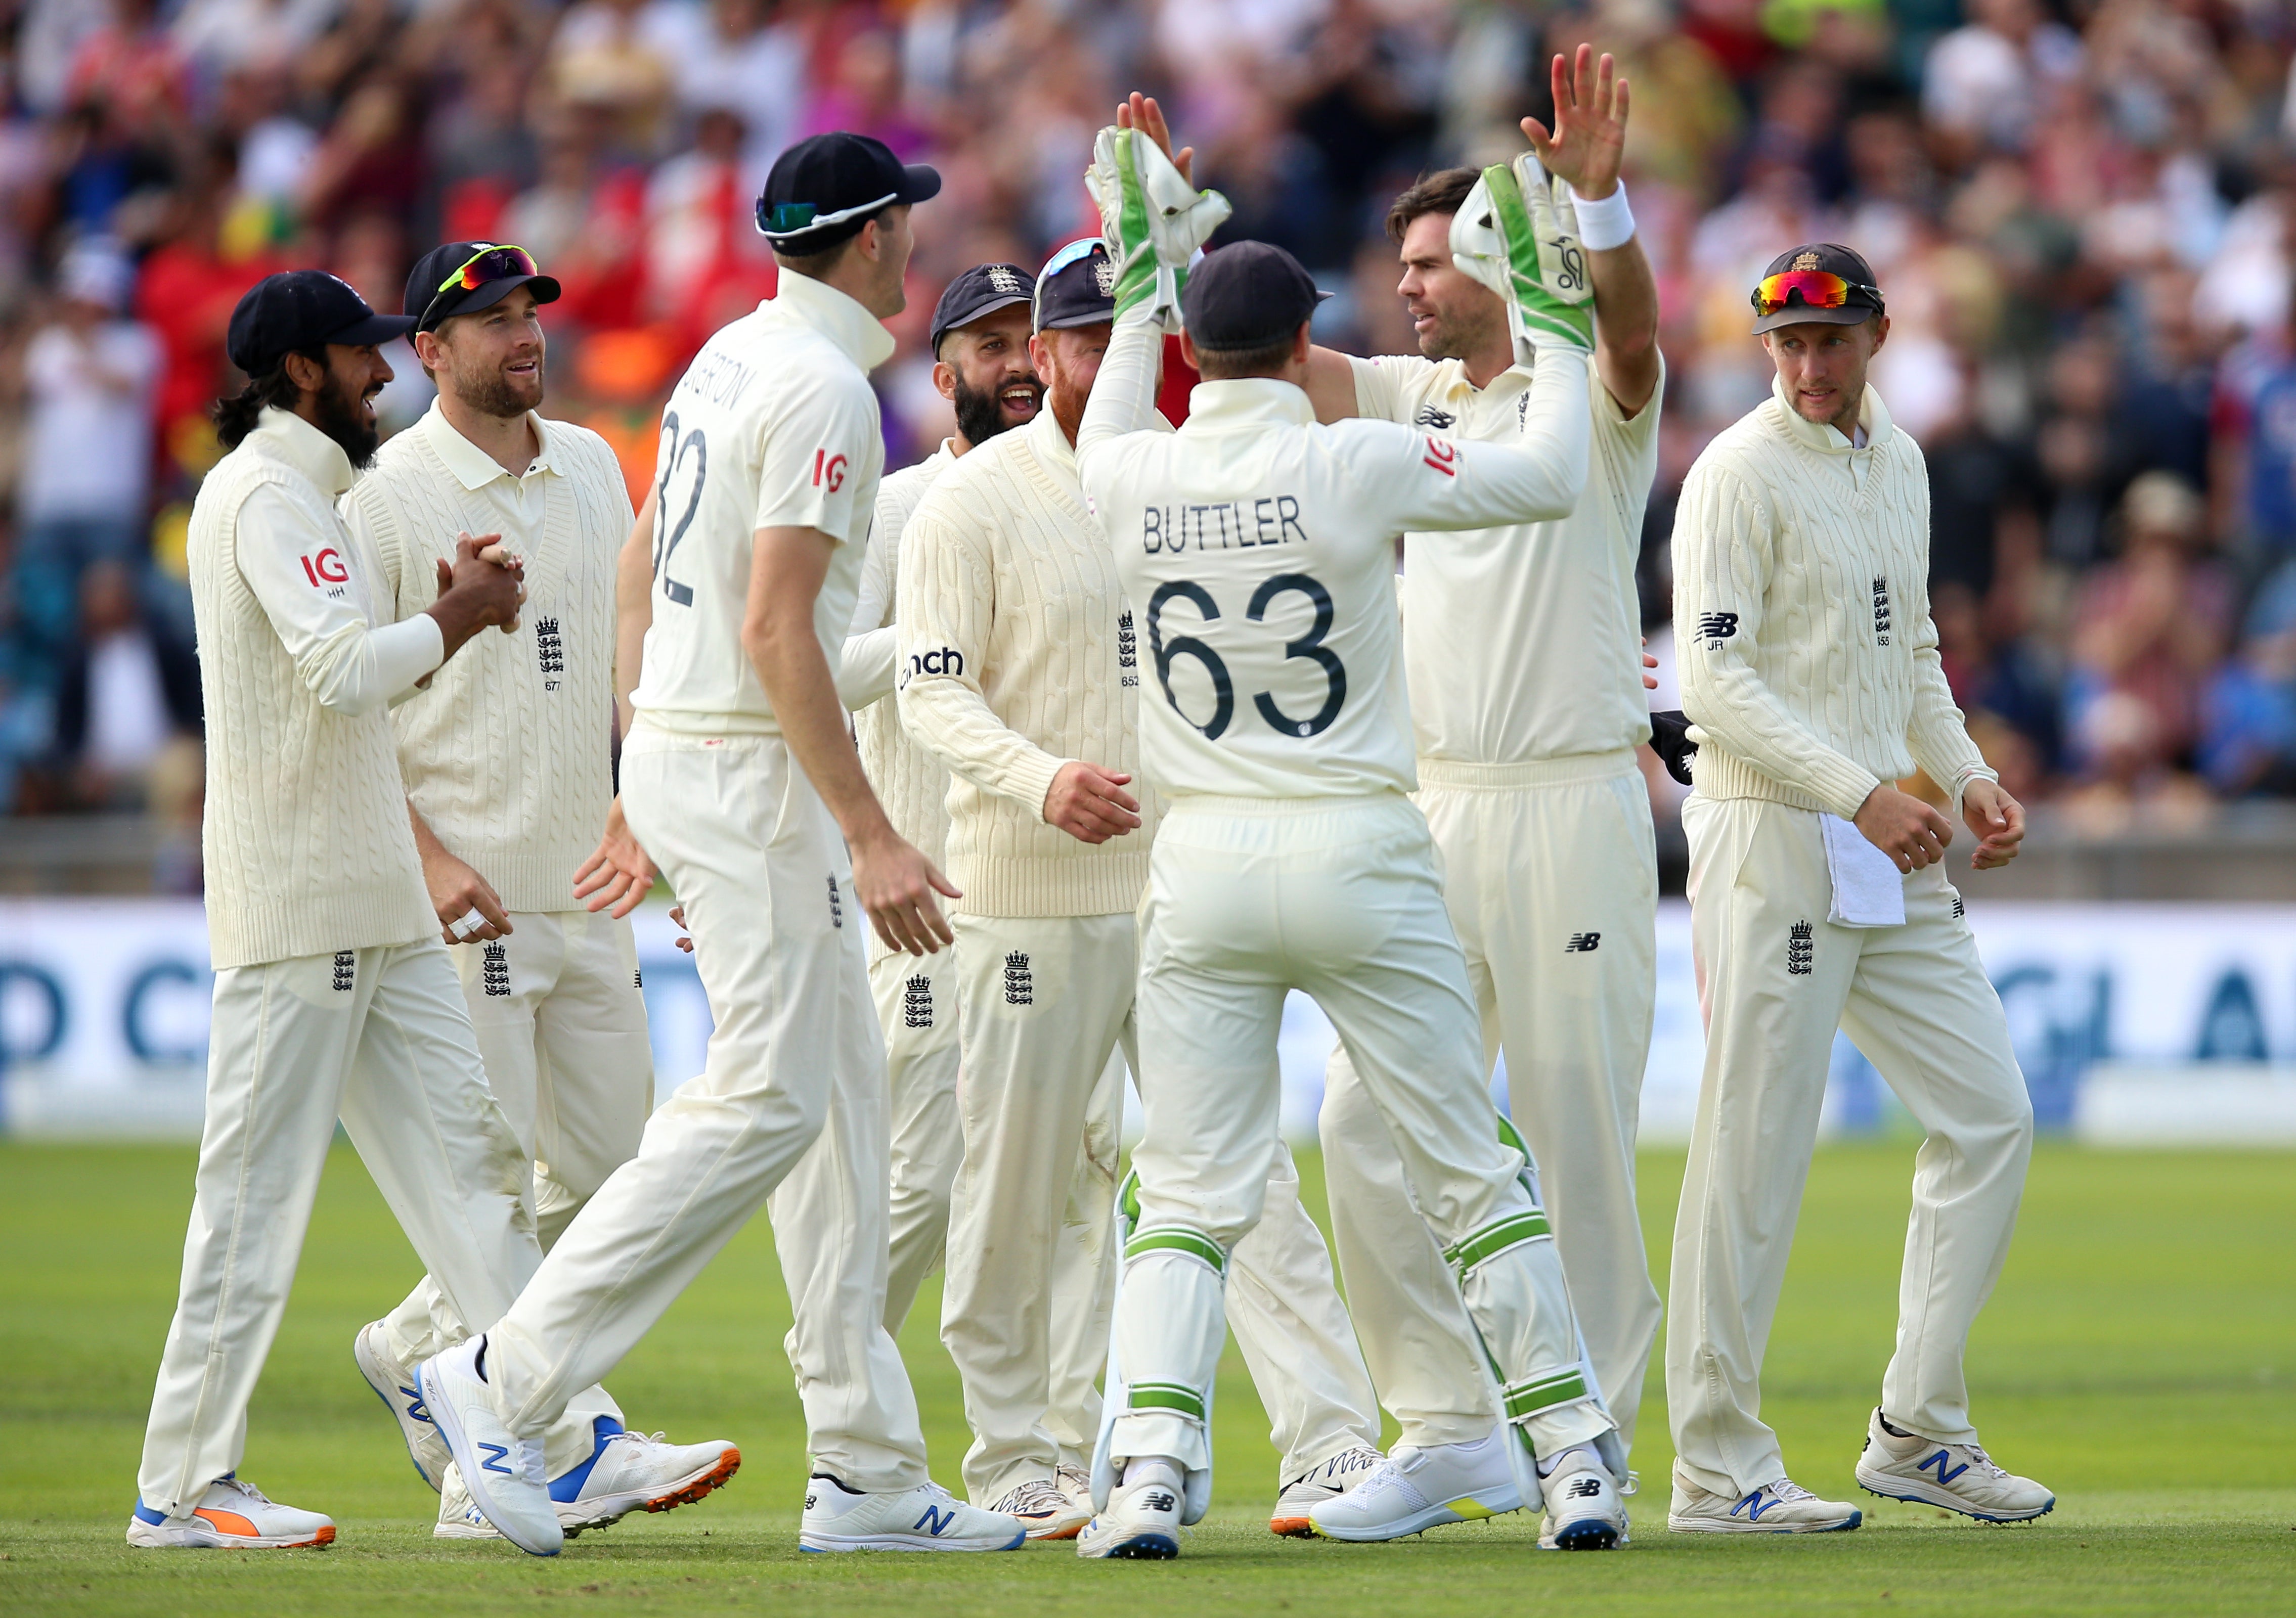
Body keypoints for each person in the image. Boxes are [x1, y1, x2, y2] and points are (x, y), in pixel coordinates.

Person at [410, 132, 1025, 1559]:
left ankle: (867, 1471)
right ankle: (504, 1376)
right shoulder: (817, 385)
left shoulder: (731, 357)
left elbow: (641, 575)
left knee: (841, 1110)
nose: (914, 245)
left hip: (707, 756)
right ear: (869, 240)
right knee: (764, 1102)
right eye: (906, 225)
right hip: (752, 774)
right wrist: (867, 830)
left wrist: (651, 763)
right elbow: (771, 629)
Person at [1071, 111, 1623, 1560]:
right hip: (1362, 852)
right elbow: (1554, 473)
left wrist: (1145, 266)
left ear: (1195, 349)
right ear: (1304, 336)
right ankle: (1569, 1453)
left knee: (1186, 1194)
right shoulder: (1360, 459)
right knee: (1464, 1167)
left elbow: (1129, 366)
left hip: (1199, 867)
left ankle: (1141, 1473)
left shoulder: (1117, 472)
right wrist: (1555, 306)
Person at [899, 227, 1383, 1540]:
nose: (1110, 356)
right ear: (1052, 350)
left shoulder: (1180, 482)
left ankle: (1331, 1445)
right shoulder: (971, 498)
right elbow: (927, 685)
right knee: (1011, 1188)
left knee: (1241, 1178)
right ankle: (1014, 1461)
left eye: (1138, 331)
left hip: (1175, 897)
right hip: (1023, 899)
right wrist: (1037, 778)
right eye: (1083, 336)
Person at [1297, 48, 1666, 1545]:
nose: (1411, 287)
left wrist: (1599, 207)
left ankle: (1592, 1450)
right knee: (1361, 1127)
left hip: (1569, 800)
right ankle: (1452, 1428)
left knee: (1573, 1133)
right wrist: (1172, 273)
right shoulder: (1411, 395)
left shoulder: (1591, 396)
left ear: (1509, 264)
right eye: (1399, 264)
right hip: (1424, 810)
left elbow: (1626, 327)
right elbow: (1276, 371)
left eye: (1437, 263)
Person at [338, 240, 736, 1542]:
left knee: (619, 1169)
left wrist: (664, 819)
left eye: (528, 314)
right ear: (428, 352)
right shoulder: (385, 498)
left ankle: (416, 1349)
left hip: (590, 889)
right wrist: (431, 859)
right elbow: (336, 716)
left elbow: (636, 663)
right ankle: (490, 1470)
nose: (521, 335)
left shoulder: (587, 465)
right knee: (494, 1186)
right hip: (468, 901)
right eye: (488, 319)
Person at [130, 268, 534, 1549]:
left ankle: (569, 1430)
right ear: (301, 370)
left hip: (375, 901)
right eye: (361, 355)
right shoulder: (265, 492)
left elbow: (361, 690)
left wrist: (442, 615)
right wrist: (454, 618)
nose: (384, 372)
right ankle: (182, 1487)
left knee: (479, 1171)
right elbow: (349, 674)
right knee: (251, 1207)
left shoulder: (322, 500)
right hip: (299, 906)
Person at [1663, 242, 2054, 1533]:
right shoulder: (1733, 472)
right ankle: (1716, 1468)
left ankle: (1917, 1427)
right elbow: (1712, 682)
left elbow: (1913, 648)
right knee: (1752, 1153)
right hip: (1776, 835)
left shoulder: (1898, 461)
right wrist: (1861, 791)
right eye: (1786, 343)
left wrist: (1965, 770)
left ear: (1875, 336)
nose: (1807, 366)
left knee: (1988, 1115)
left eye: (1829, 340)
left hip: (1886, 841)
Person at [845, 261, 1046, 1341]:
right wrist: (945, 635)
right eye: (990, 347)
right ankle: (841, 1401)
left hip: (1053, 891)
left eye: (1029, 343)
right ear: (944, 373)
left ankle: (1056, 1457)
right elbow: (816, 668)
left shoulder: (1081, 495)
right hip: (920, 900)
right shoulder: (895, 507)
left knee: (1065, 1184)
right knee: (917, 1181)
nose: (1016, 367)